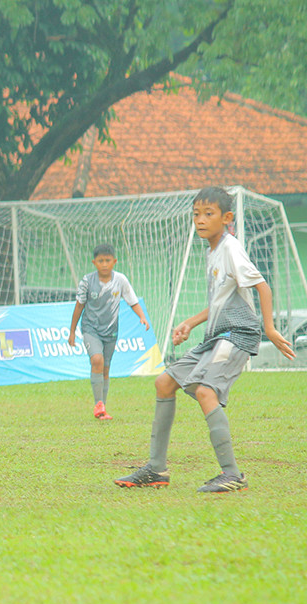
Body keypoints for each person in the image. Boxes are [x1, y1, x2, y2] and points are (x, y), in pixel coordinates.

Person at [114, 186, 295, 493]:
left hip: (238, 335)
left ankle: (232, 474)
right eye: (196, 214)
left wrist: (270, 328)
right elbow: (220, 301)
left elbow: (262, 286)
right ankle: (156, 469)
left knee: (206, 391)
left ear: (226, 218)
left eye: (208, 214)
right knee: (164, 383)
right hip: (217, 335)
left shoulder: (230, 248)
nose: (200, 220)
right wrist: (191, 322)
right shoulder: (212, 251)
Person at [67, 243, 149, 420]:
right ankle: (98, 404)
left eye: (108, 260)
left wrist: (141, 316)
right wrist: (72, 331)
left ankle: (102, 408)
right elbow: (79, 305)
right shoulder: (87, 281)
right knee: (97, 359)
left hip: (111, 330)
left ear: (114, 262)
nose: (104, 264)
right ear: (94, 262)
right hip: (91, 329)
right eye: (100, 261)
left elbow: (132, 301)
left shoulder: (120, 280)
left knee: (105, 368)